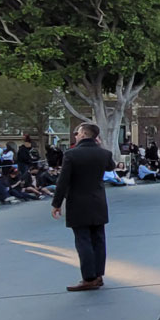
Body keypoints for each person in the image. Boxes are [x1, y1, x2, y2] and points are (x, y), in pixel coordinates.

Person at [51, 123, 117, 292]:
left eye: (78, 133)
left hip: (78, 203)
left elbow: (63, 181)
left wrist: (56, 203)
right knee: (99, 239)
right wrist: (99, 146)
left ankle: (89, 277)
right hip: (98, 201)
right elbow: (111, 166)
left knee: (83, 240)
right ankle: (98, 275)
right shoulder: (104, 153)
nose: (76, 136)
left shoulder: (71, 154)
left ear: (84, 134)